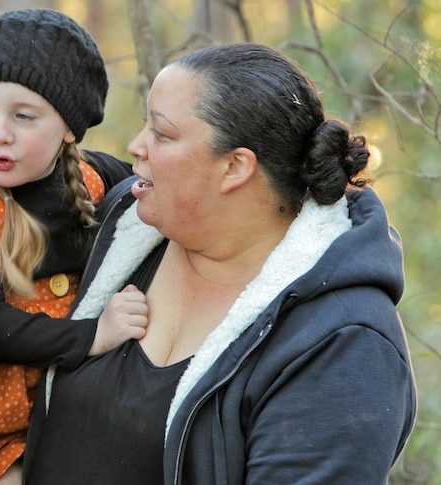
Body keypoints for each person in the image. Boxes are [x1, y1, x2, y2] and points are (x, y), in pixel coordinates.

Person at [24, 42, 417, 484]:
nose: (136, 146)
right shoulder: (125, 225)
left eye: (162, 133)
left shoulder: (344, 345)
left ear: (235, 167)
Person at [0, 8, 144, 485]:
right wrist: (92, 336)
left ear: (67, 128)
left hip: (81, 403)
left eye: (23, 116)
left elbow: (163, 194)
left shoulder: (95, 177)